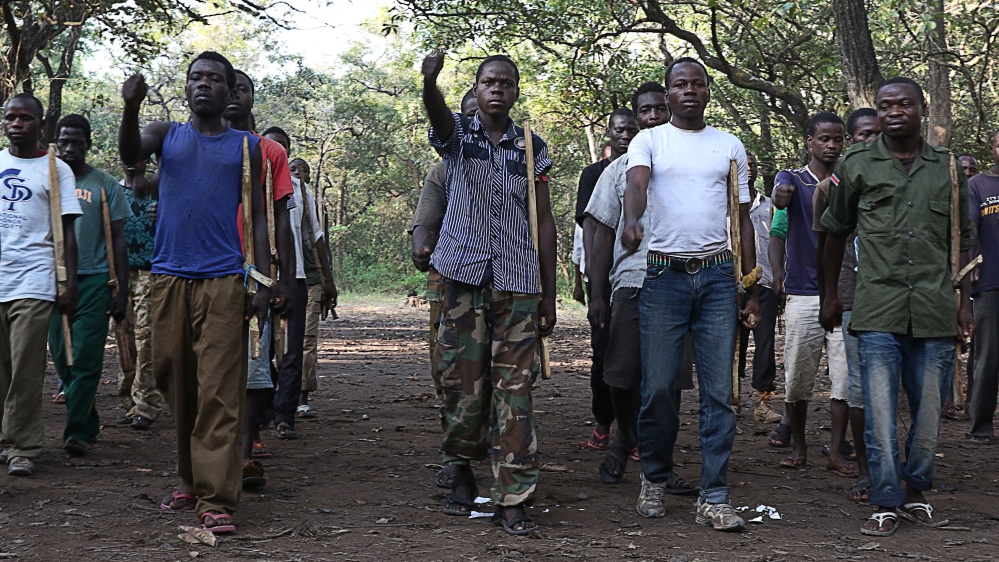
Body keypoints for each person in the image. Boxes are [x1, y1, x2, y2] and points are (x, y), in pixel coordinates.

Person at [119, 51, 272, 534]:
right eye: (195, 78)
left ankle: (216, 498)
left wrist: (263, 279)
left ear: (229, 92)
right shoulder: (166, 136)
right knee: (173, 377)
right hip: (168, 278)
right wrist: (129, 108)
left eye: (213, 79)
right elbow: (129, 157)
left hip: (224, 280)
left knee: (219, 391)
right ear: (186, 89)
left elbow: (261, 217)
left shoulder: (248, 147)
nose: (203, 85)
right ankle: (188, 478)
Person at [820, 77, 974, 536]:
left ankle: (916, 490)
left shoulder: (946, 168)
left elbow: (964, 240)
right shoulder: (858, 163)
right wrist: (831, 294)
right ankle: (885, 500)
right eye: (885, 105)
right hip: (878, 306)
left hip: (934, 308)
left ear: (921, 109)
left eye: (904, 104)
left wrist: (964, 304)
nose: (894, 112)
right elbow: (835, 230)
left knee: (928, 415)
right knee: (882, 412)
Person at [421, 51, 556, 535]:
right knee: (464, 384)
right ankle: (459, 462)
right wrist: (430, 83)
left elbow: (543, 219)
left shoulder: (533, 147)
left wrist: (549, 294)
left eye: (505, 83)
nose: (496, 89)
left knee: (514, 391)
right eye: (488, 82)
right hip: (461, 280)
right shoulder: (457, 136)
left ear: (516, 91)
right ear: (476, 91)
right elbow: (437, 116)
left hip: (518, 282)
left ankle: (513, 495)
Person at [621, 58, 759, 531]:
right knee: (659, 387)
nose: (690, 91)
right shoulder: (650, 139)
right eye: (681, 84)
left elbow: (741, 217)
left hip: (719, 275)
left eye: (698, 84)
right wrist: (633, 220)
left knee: (719, 392)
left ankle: (714, 495)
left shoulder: (729, 145)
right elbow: (636, 185)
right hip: (664, 275)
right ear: (668, 93)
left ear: (707, 92)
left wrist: (751, 283)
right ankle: (654, 477)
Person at [584, 84, 697, 491]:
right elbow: (599, 232)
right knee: (620, 371)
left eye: (657, 109)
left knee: (669, 380)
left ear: (668, 110)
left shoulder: (692, 161)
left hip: (683, 281)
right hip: (632, 281)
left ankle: (659, 461)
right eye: (643, 111)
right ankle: (622, 439)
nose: (650, 117)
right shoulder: (618, 170)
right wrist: (597, 294)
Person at [221, 69, 296, 487]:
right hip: (207, 269)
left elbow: (280, 218)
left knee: (253, 363)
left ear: (252, 97)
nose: (234, 96)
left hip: (254, 272)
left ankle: (247, 452)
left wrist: (280, 277)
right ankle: (213, 453)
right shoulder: (200, 146)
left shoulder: (270, 152)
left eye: (242, 89)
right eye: (228, 88)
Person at [768, 113, 853, 477]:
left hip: (846, 294)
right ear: (810, 142)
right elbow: (779, 199)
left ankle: (835, 451)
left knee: (845, 377)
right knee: (798, 377)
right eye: (824, 139)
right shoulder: (794, 179)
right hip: (804, 293)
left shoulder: (850, 180)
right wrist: (779, 274)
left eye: (837, 139)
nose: (831, 145)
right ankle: (799, 446)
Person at [0, 94, 81, 476]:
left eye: (25, 118)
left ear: (40, 124)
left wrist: (70, 286)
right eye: (10, 118)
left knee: (26, 367)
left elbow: (68, 230)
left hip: (34, 278)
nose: (16, 124)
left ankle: (22, 446)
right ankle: (6, 436)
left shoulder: (56, 169)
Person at [408, 89, 479, 490]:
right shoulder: (445, 169)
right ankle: (458, 456)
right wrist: (422, 241)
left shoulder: (519, 158)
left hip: (506, 279)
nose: (472, 125)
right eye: (466, 117)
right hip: (453, 279)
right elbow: (426, 218)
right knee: (452, 366)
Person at [49, 114, 131, 455]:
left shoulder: (104, 184)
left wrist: (122, 290)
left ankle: (77, 432)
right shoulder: (47, 181)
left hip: (96, 280)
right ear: (55, 142)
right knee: (62, 358)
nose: (70, 149)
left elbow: (119, 240)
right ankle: (88, 417)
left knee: (85, 357)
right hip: (52, 280)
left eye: (77, 143)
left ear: (88, 144)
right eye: (64, 142)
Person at [812, 107, 881, 501]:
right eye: (863, 135)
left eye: (877, 133)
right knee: (858, 387)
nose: (870, 140)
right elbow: (827, 247)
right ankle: (867, 470)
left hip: (895, 297)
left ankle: (894, 463)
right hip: (853, 296)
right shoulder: (833, 187)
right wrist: (829, 296)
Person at [261, 125, 336, 441]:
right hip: (259, 279)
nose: (276, 152)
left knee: (293, 349)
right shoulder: (245, 185)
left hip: (297, 279)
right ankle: (264, 406)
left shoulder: (300, 191)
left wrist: (328, 280)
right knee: (260, 349)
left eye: (282, 147)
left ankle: (285, 414)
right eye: (270, 145)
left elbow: (315, 236)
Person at [576, 109, 636, 451]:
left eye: (630, 129)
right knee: (603, 353)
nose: (624, 135)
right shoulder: (594, 174)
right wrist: (592, 283)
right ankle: (603, 422)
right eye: (618, 130)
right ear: (609, 135)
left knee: (639, 357)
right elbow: (590, 228)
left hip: (639, 276)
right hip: (603, 275)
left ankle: (635, 431)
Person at [115, 158, 164, 430]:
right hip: (120, 275)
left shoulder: (160, 190)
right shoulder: (113, 190)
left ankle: (146, 404)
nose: (133, 162)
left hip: (151, 272)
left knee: (146, 336)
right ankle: (128, 400)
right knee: (123, 336)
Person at [737, 152, 782, 423]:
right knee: (733, 345)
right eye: (745, 164)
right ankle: (732, 399)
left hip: (764, 283)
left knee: (765, 344)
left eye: (753, 164)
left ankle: (762, 402)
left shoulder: (770, 205)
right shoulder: (724, 204)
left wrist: (780, 278)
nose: (750, 168)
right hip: (732, 284)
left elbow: (779, 241)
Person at [292, 157, 338, 418]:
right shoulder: (278, 199)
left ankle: (302, 395)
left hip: (312, 281)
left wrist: (328, 280)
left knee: (307, 339)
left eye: (303, 169)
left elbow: (321, 242)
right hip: (286, 280)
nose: (299, 173)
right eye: (293, 169)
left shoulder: (313, 204)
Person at [966, 131, 999, 443]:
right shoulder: (978, 185)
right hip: (989, 280)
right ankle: (981, 425)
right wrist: (973, 259)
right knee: (988, 356)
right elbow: (970, 225)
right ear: (992, 147)